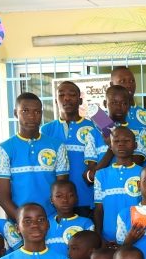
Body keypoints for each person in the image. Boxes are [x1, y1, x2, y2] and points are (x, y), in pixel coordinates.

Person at [0, 93, 70, 220]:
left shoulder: (57, 146)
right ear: (15, 113)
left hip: (51, 220)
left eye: (37, 112)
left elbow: (62, 191)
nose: (31, 116)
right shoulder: (3, 149)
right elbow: (3, 198)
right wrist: (24, 222)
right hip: (18, 221)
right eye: (25, 111)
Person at [42, 81, 106, 214]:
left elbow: (114, 139)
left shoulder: (95, 126)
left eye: (72, 95)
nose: (66, 98)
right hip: (56, 204)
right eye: (61, 95)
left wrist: (102, 119)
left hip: (88, 199)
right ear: (56, 101)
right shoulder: (46, 130)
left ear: (80, 100)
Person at [94, 126, 143, 244]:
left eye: (126, 141)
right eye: (116, 141)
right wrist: (99, 236)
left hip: (138, 236)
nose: (121, 144)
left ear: (135, 145)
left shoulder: (143, 173)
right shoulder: (101, 175)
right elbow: (99, 210)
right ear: (110, 146)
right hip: (108, 239)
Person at [93, 84, 146, 169]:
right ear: (105, 103)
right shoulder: (94, 133)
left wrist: (112, 143)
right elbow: (93, 174)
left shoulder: (141, 133)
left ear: (129, 105)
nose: (119, 107)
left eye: (124, 103)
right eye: (114, 103)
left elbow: (134, 166)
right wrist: (112, 146)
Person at [47, 180, 94, 259]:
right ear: (51, 199)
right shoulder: (46, 224)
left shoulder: (86, 223)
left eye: (70, 195)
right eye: (59, 196)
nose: (65, 200)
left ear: (76, 198)